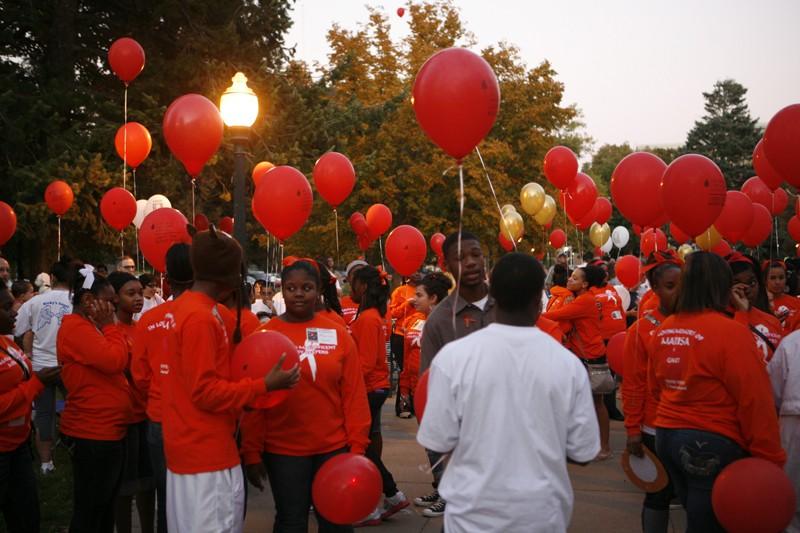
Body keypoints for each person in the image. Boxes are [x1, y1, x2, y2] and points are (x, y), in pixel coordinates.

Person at [417, 253, 600, 532]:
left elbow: (437, 439)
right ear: (539, 297)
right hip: (541, 516)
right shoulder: (568, 366)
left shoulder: (453, 359)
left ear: (493, 296)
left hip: (470, 518)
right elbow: (584, 451)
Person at [162, 226, 299, 533]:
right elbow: (205, 392)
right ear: (229, 277)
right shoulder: (200, 318)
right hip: (205, 458)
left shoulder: (189, 308)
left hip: (191, 450)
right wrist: (264, 385)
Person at [650, 252, 785, 532]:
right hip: (711, 441)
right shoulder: (731, 333)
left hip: (667, 436)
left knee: (696, 514)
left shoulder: (664, 329)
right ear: (721, 285)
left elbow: (655, 387)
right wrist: (770, 459)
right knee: (708, 524)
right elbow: (755, 399)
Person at [241, 258, 370, 533]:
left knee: (336, 522)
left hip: (334, 449)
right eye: (291, 288)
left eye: (307, 287)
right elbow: (254, 401)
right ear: (282, 291)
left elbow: (354, 395)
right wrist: (251, 452)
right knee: (291, 521)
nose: (299, 294)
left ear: (319, 290)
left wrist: (357, 447)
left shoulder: (338, 334)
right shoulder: (264, 334)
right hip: (283, 451)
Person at [417, 230, 495, 517]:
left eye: (476, 254)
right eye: (460, 258)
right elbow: (429, 392)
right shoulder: (439, 321)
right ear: (446, 266)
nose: (471, 263)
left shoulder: (510, 307)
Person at [57, 265, 133, 532]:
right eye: (110, 302)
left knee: (103, 508)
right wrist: (111, 328)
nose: (114, 307)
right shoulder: (78, 328)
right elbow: (114, 361)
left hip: (107, 430)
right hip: (93, 433)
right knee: (91, 509)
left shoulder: (88, 326)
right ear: (89, 301)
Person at [131, 243, 193, 533]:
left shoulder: (149, 320)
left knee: (168, 499)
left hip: (160, 418)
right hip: (202, 421)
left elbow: (140, 376)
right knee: (201, 501)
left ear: (167, 276)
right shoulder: (215, 315)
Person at [622, 250, 682, 533]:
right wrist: (633, 429)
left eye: (682, 284)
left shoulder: (701, 323)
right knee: (658, 493)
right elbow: (632, 383)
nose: (678, 292)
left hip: (695, 428)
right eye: (670, 286)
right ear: (655, 289)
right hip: (654, 429)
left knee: (693, 498)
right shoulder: (641, 331)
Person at [349, 265, 409, 525]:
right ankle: (390, 495)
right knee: (367, 448)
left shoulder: (368, 319)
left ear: (363, 287)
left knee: (361, 450)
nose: (350, 286)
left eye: (353, 282)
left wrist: (348, 389)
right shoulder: (376, 316)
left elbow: (365, 362)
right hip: (376, 387)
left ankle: (383, 498)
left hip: (368, 388)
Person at [0, 287, 60, 532]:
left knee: (26, 517)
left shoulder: (5, 340)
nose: (16, 311)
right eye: (6, 307)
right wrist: (36, 384)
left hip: (18, 446)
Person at [542, 265, 611, 460]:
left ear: (585, 284)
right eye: (570, 277)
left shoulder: (585, 301)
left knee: (597, 403)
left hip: (591, 355)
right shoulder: (581, 299)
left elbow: (556, 315)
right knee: (583, 401)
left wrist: (530, 315)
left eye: (574, 278)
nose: (569, 280)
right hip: (583, 354)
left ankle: (604, 447)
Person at [13, 257, 73, 474]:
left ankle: (46, 463)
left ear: (53, 278)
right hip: (68, 365)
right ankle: (77, 448)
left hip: (41, 366)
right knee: (77, 407)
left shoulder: (35, 302)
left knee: (45, 414)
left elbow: (17, 328)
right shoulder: (76, 300)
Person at [107, 272, 154, 533]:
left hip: (147, 415)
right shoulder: (110, 332)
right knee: (124, 487)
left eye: (139, 292)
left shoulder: (142, 328)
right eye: (130, 293)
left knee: (149, 483)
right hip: (123, 420)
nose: (138, 298)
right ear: (114, 297)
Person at [397, 272, 452, 418]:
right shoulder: (413, 320)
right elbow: (406, 360)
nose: (414, 299)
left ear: (433, 298)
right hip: (419, 394)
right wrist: (404, 393)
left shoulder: (448, 324)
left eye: (419, 295)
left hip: (441, 396)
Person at [768, 329, 800, 533]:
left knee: (792, 492)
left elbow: (772, 389)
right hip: (792, 417)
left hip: (792, 421)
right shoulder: (792, 341)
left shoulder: (792, 341)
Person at [726, 253, 783, 362]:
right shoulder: (717, 321)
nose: (745, 288)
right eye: (736, 282)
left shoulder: (773, 322)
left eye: (751, 282)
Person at [765, 260, 800, 333]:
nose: (777, 282)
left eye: (781, 278)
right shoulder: (760, 304)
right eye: (772, 278)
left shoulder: (797, 302)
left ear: (786, 279)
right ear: (765, 280)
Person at [340, 260, 368, 326]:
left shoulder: (380, 304)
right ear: (348, 279)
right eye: (356, 273)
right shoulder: (340, 303)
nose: (360, 276)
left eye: (363, 273)